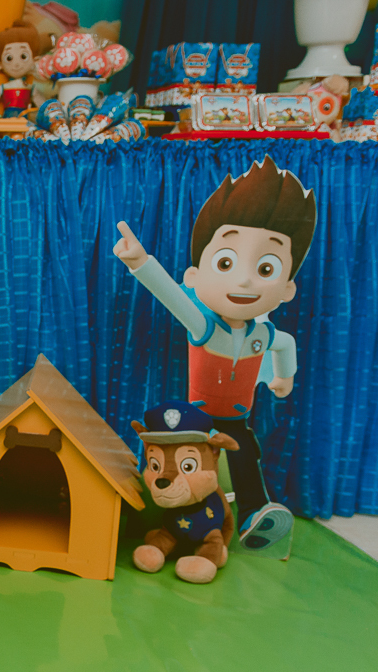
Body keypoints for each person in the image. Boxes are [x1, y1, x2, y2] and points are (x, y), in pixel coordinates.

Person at [114, 155, 317, 554]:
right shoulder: (205, 326)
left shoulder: (264, 331)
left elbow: (286, 345)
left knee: (244, 455)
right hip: (196, 418)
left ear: (288, 287)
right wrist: (141, 262)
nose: (244, 278)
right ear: (195, 276)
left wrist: (283, 377)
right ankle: (148, 516)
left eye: (266, 267)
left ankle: (253, 514)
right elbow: (173, 298)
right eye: (226, 262)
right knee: (176, 461)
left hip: (236, 418)